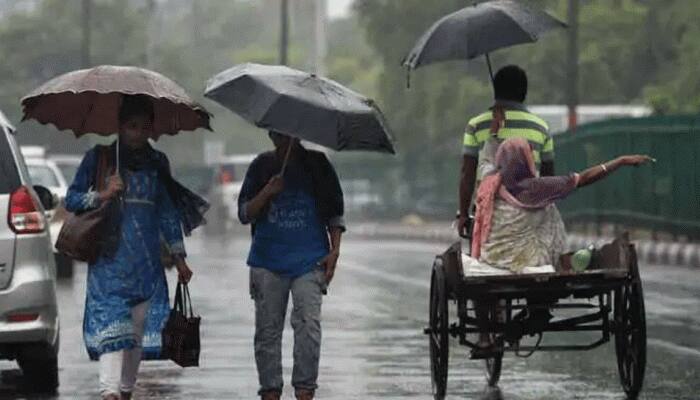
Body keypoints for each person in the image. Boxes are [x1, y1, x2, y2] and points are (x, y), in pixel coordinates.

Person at [65, 95, 207, 400]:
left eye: (144, 127)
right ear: (119, 126)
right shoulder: (99, 158)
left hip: (147, 267)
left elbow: (167, 213)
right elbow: (72, 199)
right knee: (114, 334)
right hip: (109, 265)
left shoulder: (158, 163)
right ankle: (109, 392)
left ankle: (124, 392)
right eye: (132, 126)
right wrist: (103, 194)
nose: (138, 134)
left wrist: (180, 258)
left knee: (136, 340)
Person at [238, 131, 345, 400]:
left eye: (288, 133)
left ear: (298, 133)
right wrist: (267, 192)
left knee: (309, 325)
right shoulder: (261, 166)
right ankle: (270, 390)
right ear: (270, 133)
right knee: (267, 332)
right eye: (276, 132)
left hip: (310, 260)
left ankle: (305, 389)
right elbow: (244, 213)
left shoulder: (318, 165)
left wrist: (335, 252)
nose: (282, 137)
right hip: (267, 261)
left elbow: (335, 213)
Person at [471, 137, 653, 271]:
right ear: (527, 159)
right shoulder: (537, 187)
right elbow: (583, 179)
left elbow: (485, 162)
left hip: (494, 257)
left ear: (501, 161)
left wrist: (493, 132)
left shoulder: (489, 186)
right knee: (548, 206)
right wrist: (621, 161)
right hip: (532, 261)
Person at [458, 65, 553, 237]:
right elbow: (548, 177)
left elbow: (467, 173)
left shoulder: (476, 125)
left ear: (496, 91)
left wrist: (463, 214)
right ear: (524, 93)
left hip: (487, 214)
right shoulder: (541, 128)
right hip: (528, 216)